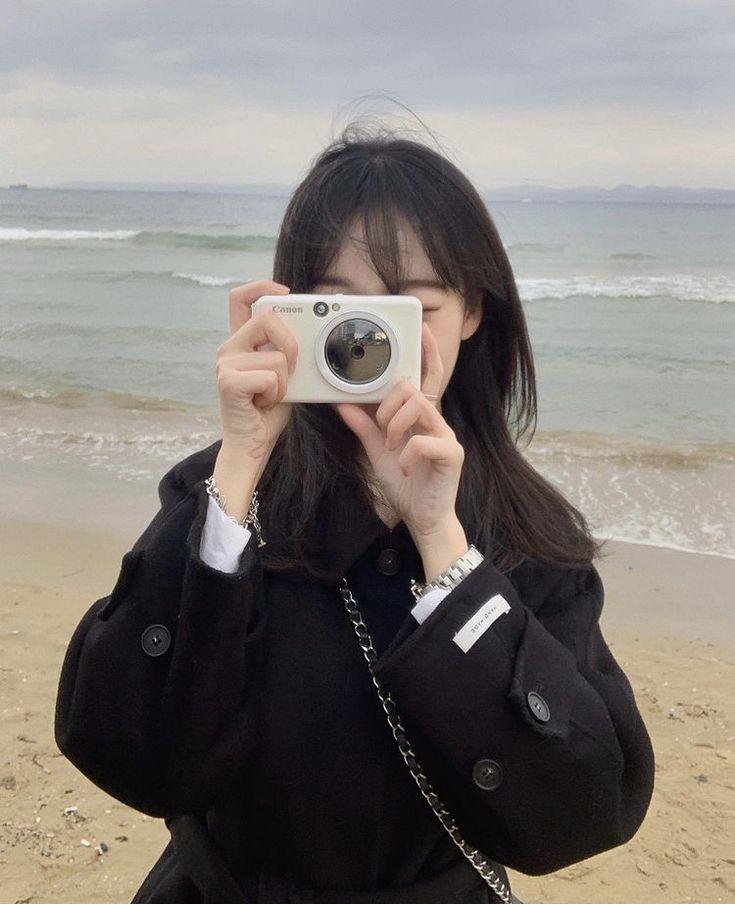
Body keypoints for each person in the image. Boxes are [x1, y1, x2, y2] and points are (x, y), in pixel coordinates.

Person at [54, 124, 655, 904]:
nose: (366, 341)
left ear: (471, 311)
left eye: (408, 305)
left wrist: (442, 544)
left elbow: (584, 813)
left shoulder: (524, 534)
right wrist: (238, 469)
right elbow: (131, 754)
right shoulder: (222, 496)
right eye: (338, 306)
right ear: (292, 308)